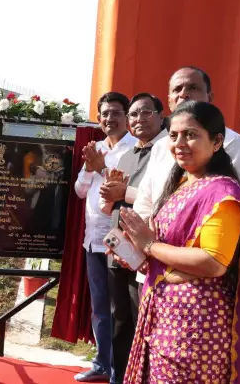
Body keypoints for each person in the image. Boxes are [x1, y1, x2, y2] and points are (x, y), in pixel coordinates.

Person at [117, 101, 240, 383]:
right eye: (174, 135)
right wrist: (136, 251)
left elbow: (213, 262)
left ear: (216, 142)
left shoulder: (221, 192)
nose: (179, 143)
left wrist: (150, 245)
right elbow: (170, 248)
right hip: (165, 313)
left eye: (191, 134)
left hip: (195, 325)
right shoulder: (181, 183)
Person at [98, 93, 166, 384]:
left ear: (162, 116)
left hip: (147, 248)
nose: (139, 120)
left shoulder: (167, 150)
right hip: (119, 243)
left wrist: (121, 194)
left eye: (146, 113)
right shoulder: (127, 155)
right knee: (121, 316)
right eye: (134, 114)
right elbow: (110, 201)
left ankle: (144, 376)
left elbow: (165, 199)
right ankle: (119, 375)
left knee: (144, 315)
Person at [73, 92, 137, 383]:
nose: (110, 119)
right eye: (105, 114)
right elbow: (80, 191)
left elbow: (129, 192)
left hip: (121, 238)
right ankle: (101, 363)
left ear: (127, 117)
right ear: (99, 118)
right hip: (92, 238)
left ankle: (121, 371)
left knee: (121, 308)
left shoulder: (137, 149)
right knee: (99, 306)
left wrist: (100, 168)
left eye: (116, 113)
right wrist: (89, 168)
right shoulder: (94, 147)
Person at [132, 66, 240, 224]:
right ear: (169, 100)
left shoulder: (232, 141)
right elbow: (144, 199)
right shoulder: (160, 145)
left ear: (210, 96)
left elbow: (223, 198)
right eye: (177, 89)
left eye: (193, 88)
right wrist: (148, 233)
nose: (183, 94)